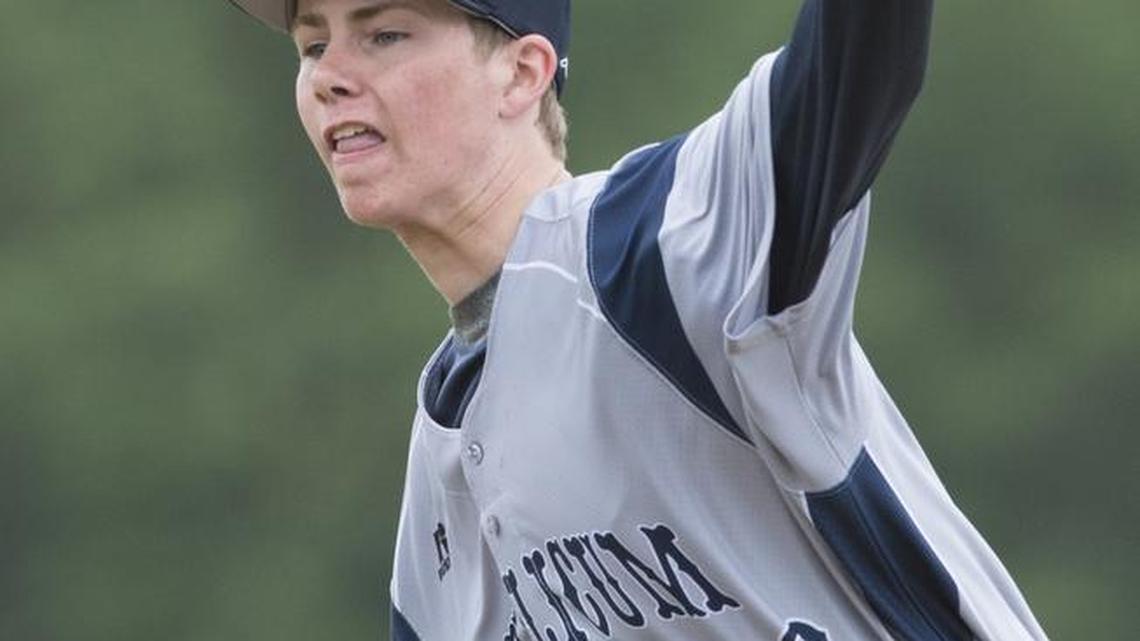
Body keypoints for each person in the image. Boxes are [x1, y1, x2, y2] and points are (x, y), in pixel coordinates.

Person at [227, 0, 1050, 639]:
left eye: (386, 35)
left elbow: (861, 54)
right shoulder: (443, 452)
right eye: (312, 44)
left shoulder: (658, 241)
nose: (330, 73)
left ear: (521, 74)